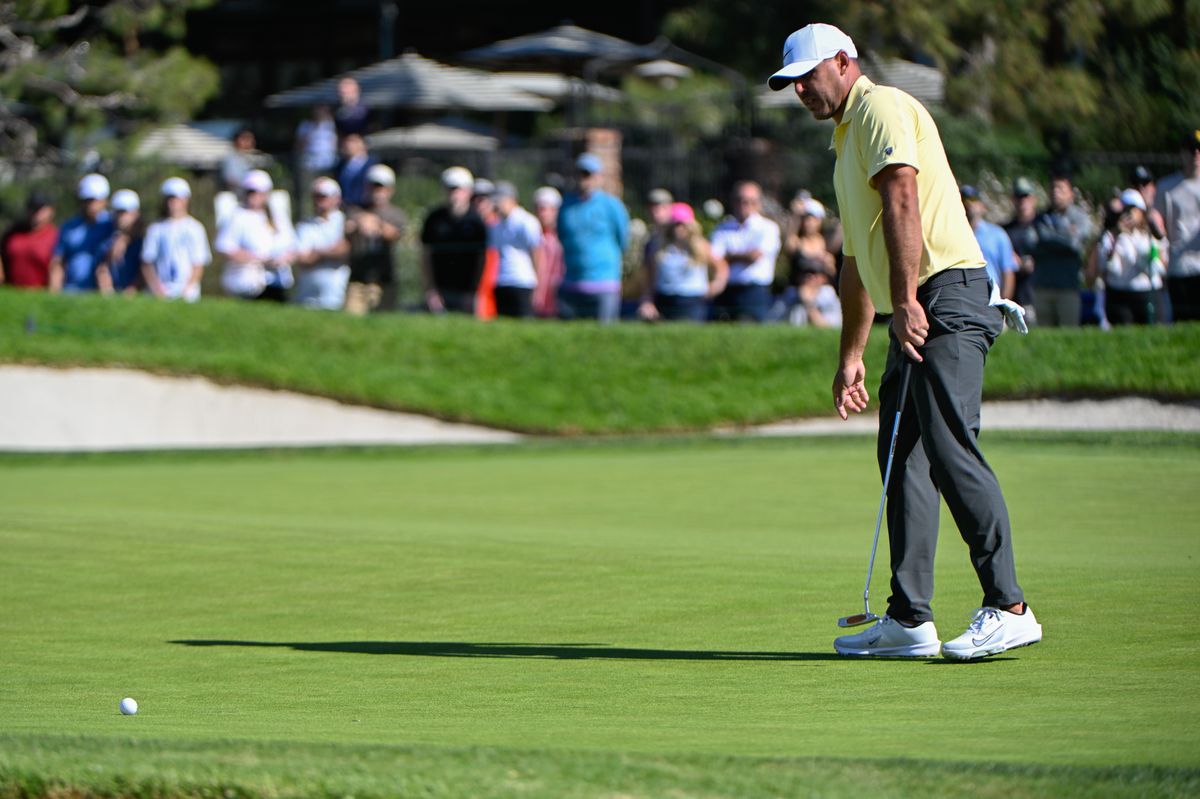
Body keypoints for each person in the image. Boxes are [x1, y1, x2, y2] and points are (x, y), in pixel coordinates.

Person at [769, 22, 1039, 659]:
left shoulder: (881, 106)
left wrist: (911, 300)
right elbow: (857, 262)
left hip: (947, 290)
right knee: (903, 457)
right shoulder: (843, 141)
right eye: (792, 83)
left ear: (844, 61)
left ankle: (1010, 606)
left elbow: (903, 200)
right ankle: (910, 619)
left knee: (947, 448)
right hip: (916, 303)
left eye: (809, 75)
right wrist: (852, 355)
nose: (801, 89)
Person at [556, 152, 630, 322]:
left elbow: (622, 239)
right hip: (572, 284)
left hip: (603, 284)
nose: (584, 179)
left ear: (599, 177)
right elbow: (562, 236)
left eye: (588, 174)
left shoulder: (611, 205)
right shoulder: (566, 205)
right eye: (580, 174)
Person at [637, 202, 728, 322]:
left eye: (682, 224)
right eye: (675, 225)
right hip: (665, 299)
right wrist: (647, 301)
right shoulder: (659, 248)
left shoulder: (701, 246)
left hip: (692, 302)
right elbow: (650, 279)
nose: (678, 229)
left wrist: (713, 287)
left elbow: (721, 268)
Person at [216, 169, 295, 302]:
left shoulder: (278, 217)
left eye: (257, 192)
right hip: (248, 282)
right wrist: (256, 259)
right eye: (250, 191)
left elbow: (292, 246)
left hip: (276, 281)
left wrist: (282, 259)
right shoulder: (237, 216)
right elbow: (225, 247)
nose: (253, 196)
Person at [709, 181, 782, 322]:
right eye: (739, 200)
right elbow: (713, 259)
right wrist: (742, 256)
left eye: (750, 201)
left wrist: (728, 256)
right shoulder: (722, 228)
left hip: (754, 292)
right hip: (727, 290)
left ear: (759, 203)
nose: (744, 204)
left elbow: (754, 256)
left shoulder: (768, 228)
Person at [420, 166, 488, 314]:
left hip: (467, 292)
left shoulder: (477, 223)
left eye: (459, 189)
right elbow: (426, 255)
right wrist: (430, 289)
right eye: (450, 189)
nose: (454, 194)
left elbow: (482, 260)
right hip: (441, 290)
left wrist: (475, 291)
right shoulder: (434, 219)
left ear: (469, 191)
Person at [1031, 173, 1094, 326]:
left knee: (1068, 334)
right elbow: (1034, 243)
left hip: (1068, 288)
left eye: (1060, 189)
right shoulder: (1040, 218)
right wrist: (1065, 234)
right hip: (1042, 288)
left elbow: (1074, 244)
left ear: (1070, 193)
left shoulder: (1080, 218)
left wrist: (1049, 237)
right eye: (1052, 188)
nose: (1055, 192)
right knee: (1043, 339)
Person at [344, 164, 407, 316]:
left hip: (384, 279)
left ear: (390, 190)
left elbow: (393, 234)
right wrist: (360, 222)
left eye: (381, 187)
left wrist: (375, 223)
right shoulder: (355, 210)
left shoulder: (396, 214)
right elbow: (347, 230)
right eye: (373, 186)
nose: (376, 192)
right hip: (357, 279)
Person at [1102, 188, 1167, 325]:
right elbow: (1109, 266)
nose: (1129, 214)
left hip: (1148, 292)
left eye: (1133, 209)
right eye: (1125, 210)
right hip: (1120, 294)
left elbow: (1161, 263)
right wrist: (1117, 234)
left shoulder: (1149, 236)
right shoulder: (1111, 236)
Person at [140, 177, 211, 303]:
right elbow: (147, 262)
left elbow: (198, 264)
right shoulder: (156, 229)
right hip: (161, 292)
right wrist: (156, 289)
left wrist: (187, 290)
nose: (173, 202)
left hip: (187, 294)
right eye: (170, 198)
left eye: (177, 198)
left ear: (186, 200)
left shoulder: (195, 228)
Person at [1155, 128, 1200, 321]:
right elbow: (1157, 218)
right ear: (1182, 153)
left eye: (1198, 150)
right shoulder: (1167, 187)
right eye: (1191, 150)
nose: (1195, 155)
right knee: (1185, 322)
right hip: (1180, 268)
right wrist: (1155, 222)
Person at [49, 173, 114, 293]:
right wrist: (54, 291)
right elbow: (58, 261)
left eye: (95, 200)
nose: (91, 205)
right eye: (87, 201)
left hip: (102, 292)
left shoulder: (112, 225)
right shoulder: (69, 227)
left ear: (104, 200)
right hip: (71, 291)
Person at [488, 181, 544, 319]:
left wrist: (538, 282)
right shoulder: (495, 225)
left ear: (512, 199)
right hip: (501, 281)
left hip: (522, 281)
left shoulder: (527, 222)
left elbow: (537, 252)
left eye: (500, 201)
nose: (497, 206)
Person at [292, 177, 350, 310]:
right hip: (307, 292)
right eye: (316, 196)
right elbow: (302, 259)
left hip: (333, 290)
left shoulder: (343, 222)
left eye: (323, 196)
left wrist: (317, 252)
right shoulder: (304, 225)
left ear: (336, 198)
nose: (319, 200)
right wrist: (328, 252)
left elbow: (343, 250)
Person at [961, 185, 1018, 300]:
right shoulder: (954, 234)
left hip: (991, 298)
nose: (968, 204)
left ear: (983, 206)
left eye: (973, 200)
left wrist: (1004, 304)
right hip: (963, 297)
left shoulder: (997, 234)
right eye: (963, 200)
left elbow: (1008, 271)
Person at [0, 193, 57, 289]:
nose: (36, 212)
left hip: (40, 291)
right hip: (12, 290)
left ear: (51, 211)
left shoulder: (55, 236)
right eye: (33, 208)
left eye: (41, 209)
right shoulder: (12, 234)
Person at [1004, 177, 1040, 323]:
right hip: (1015, 296)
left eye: (1026, 196)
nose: (1022, 201)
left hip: (1038, 293)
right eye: (1018, 197)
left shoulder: (1043, 225)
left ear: (1034, 199)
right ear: (1013, 199)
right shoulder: (1006, 230)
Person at [97, 189, 144, 296]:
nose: (121, 218)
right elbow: (102, 268)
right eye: (118, 213)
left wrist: (133, 288)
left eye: (125, 213)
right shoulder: (107, 241)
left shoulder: (142, 241)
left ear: (136, 214)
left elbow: (144, 269)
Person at [531, 186, 564, 318]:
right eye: (539, 209)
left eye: (547, 209)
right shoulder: (533, 234)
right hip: (536, 295)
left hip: (557, 294)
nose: (543, 213)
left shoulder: (562, 236)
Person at [334, 133, 377, 209]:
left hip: (364, 207)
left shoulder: (373, 165)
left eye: (353, 141)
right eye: (346, 141)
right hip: (344, 206)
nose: (348, 145)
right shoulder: (340, 165)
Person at [220, 127, 257, 193]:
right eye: (247, 138)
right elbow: (230, 180)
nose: (251, 142)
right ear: (239, 140)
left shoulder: (248, 158)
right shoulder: (231, 158)